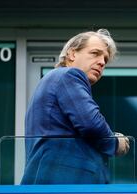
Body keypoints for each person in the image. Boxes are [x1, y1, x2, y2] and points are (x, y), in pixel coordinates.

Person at [21, 29, 130, 184]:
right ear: (72, 54)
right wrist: (115, 142)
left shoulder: (55, 80)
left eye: (105, 59)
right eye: (95, 53)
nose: (102, 62)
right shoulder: (69, 75)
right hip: (63, 186)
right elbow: (91, 124)